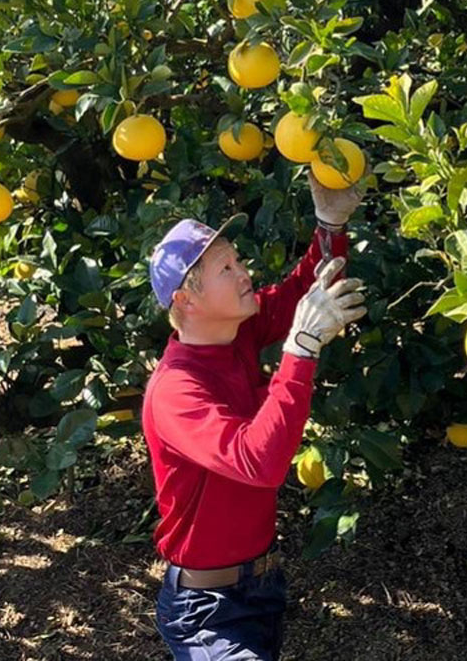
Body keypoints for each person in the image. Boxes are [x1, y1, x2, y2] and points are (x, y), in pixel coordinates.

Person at [142, 170, 367, 660]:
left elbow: (304, 292)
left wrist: (330, 225)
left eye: (237, 260)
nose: (244, 272)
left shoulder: (234, 334)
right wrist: (301, 349)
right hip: (207, 611)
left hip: (262, 586)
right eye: (226, 269)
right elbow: (258, 462)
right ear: (186, 300)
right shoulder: (176, 391)